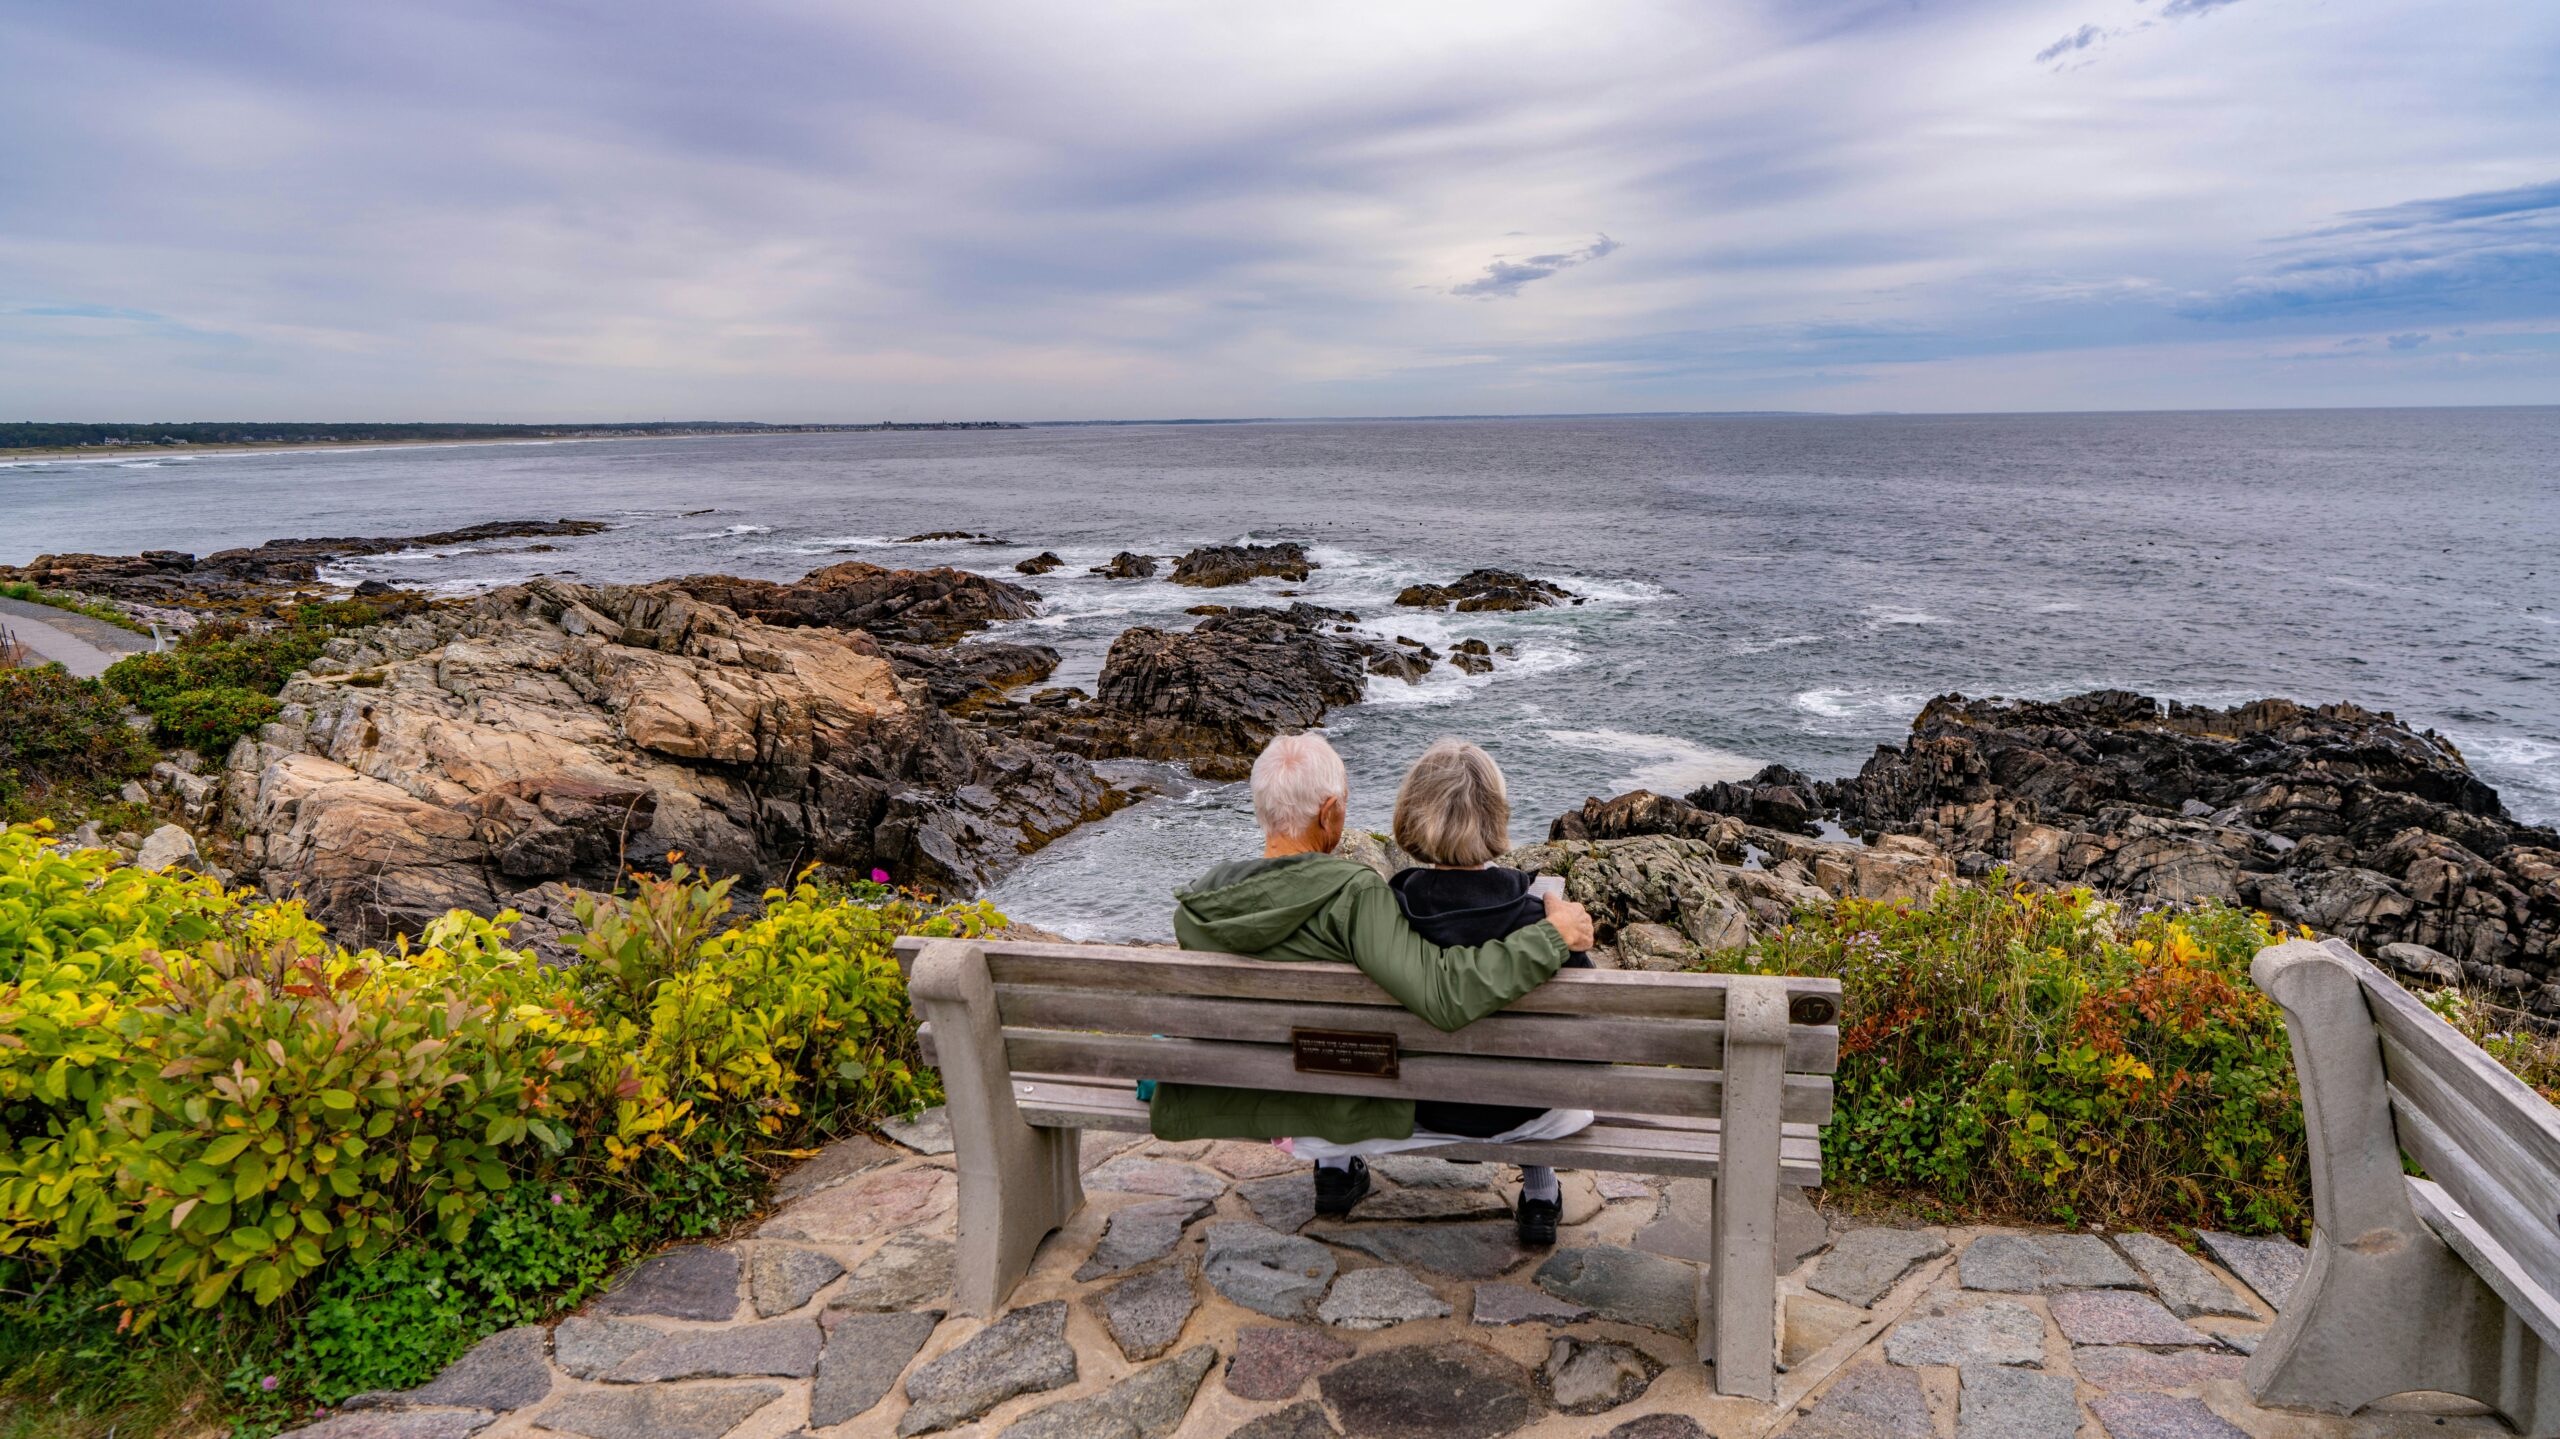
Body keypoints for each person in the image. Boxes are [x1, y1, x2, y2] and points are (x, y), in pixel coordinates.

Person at [1148, 732, 1598, 1222]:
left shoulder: (1197, 909)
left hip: (1310, 1085)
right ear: (1330, 813)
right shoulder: (1358, 903)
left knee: (1335, 1044)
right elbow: (1449, 994)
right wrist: (1553, 935)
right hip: (1509, 1109)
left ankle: (1336, 1169)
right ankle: (1538, 1188)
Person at [1385, 738, 1594, 1245]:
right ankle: (1541, 1195)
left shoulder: (1385, 919)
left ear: (1415, 815)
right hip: (1521, 1110)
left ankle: (1334, 1170)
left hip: (1414, 1104)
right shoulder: (1540, 921)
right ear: (1496, 817)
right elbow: (1586, 1037)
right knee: (1537, 1061)